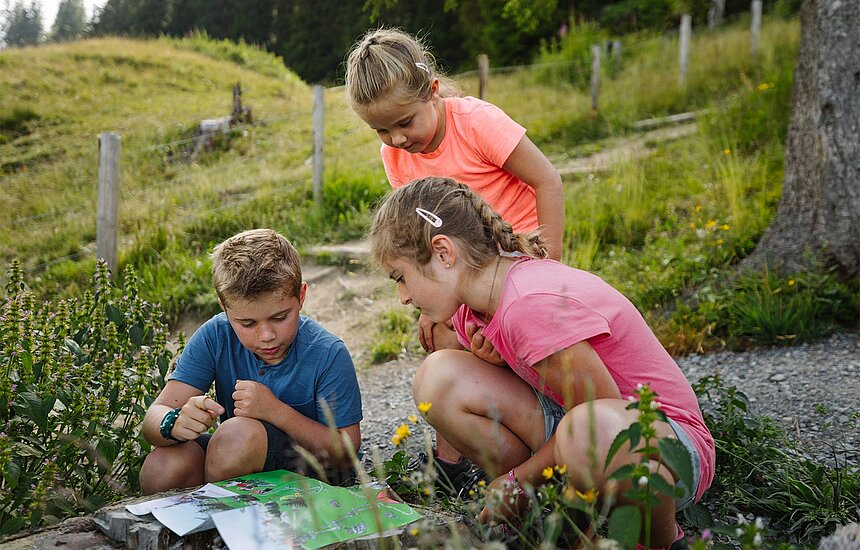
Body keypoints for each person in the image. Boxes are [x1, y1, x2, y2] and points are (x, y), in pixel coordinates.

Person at [368, 177, 715, 548]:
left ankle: (660, 539)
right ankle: (544, 509)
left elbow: (602, 415)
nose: (403, 297)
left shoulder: (528, 304)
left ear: (444, 253)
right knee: (438, 378)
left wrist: (518, 481)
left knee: (587, 429)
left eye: (401, 278)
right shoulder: (478, 298)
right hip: (582, 432)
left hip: (663, 447)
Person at [345, 27, 566, 482]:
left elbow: (548, 181)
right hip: (461, 275)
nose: (397, 139)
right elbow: (420, 238)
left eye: (404, 122)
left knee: (510, 353)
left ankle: (551, 451)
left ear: (431, 92)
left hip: (518, 269)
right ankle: (461, 462)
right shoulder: (397, 157)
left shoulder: (477, 123)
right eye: (381, 130)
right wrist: (432, 307)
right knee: (442, 341)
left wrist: (551, 272)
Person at [139, 229, 363, 494]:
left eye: (280, 318)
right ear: (224, 306)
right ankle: (192, 531)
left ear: (301, 297)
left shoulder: (327, 352)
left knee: (235, 438)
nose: (266, 336)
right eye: (247, 323)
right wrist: (174, 422)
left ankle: (222, 531)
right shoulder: (215, 335)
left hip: (314, 477)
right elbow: (152, 420)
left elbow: (346, 452)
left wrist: (275, 411)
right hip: (236, 462)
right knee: (162, 466)